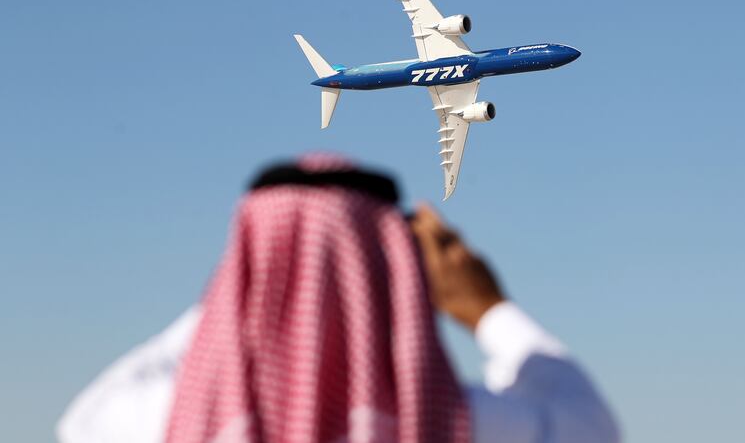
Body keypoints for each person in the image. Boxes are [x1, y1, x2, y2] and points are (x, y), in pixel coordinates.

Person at [57, 155, 620, 443]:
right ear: (398, 267)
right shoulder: (447, 423)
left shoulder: (162, 421)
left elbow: (81, 421)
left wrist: (251, 285)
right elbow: (588, 426)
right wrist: (485, 307)